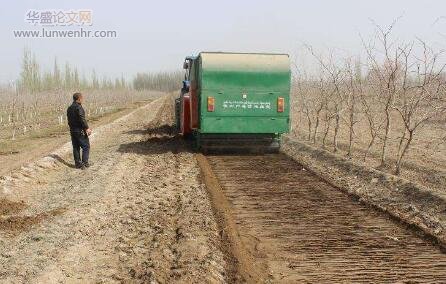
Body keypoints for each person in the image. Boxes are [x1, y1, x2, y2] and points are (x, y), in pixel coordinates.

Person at [67, 92, 92, 169]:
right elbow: (82, 118)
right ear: (79, 99)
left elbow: (69, 120)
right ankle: (85, 163)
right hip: (80, 130)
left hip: (72, 130)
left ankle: (78, 164)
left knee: (76, 147)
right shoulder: (79, 107)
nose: (82, 100)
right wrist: (87, 128)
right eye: (82, 98)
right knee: (86, 146)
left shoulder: (69, 108)